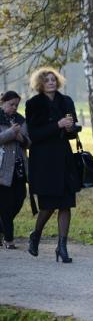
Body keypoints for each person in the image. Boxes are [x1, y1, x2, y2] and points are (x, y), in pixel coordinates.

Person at [25, 68, 81, 262]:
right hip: (43, 160)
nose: (51, 82)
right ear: (40, 83)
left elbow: (73, 131)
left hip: (64, 157)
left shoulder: (66, 101)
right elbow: (33, 135)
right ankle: (36, 234)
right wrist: (56, 125)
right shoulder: (33, 104)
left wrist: (71, 127)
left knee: (66, 204)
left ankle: (62, 247)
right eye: (47, 80)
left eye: (53, 79)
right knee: (48, 205)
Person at [0, 91, 31, 249]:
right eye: (11, 104)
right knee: (5, 204)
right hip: (2, 169)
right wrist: (10, 133)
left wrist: (20, 137)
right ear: (2, 102)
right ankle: (9, 239)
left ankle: (2, 228)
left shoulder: (20, 120)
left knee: (19, 199)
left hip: (19, 169)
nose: (14, 108)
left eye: (16, 105)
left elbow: (28, 142)